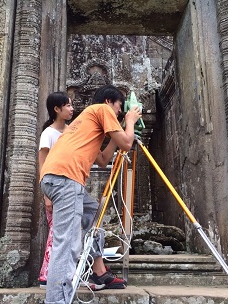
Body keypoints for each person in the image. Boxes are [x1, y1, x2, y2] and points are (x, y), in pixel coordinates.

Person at [40, 84, 142, 304]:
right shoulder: (101, 109)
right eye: (119, 108)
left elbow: (104, 161)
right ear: (108, 102)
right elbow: (126, 143)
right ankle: (56, 301)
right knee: (67, 245)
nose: (120, 113)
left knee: (94, 214)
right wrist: (130, 123)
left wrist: (119, 131)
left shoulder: (85, 125)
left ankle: (98, 271)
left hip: (56, 178)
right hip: (65, 179)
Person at [38, 92, 74, 288]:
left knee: (67, 233)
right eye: (67, 106)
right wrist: (46, 195)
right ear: (56, 109)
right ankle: (47, 275)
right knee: (56, 232)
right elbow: (43, 164)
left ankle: (61, 275)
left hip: (71, 186)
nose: (71, 109)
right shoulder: (49, 134)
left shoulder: (71, 131)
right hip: (54, 189)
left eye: (71, 105)